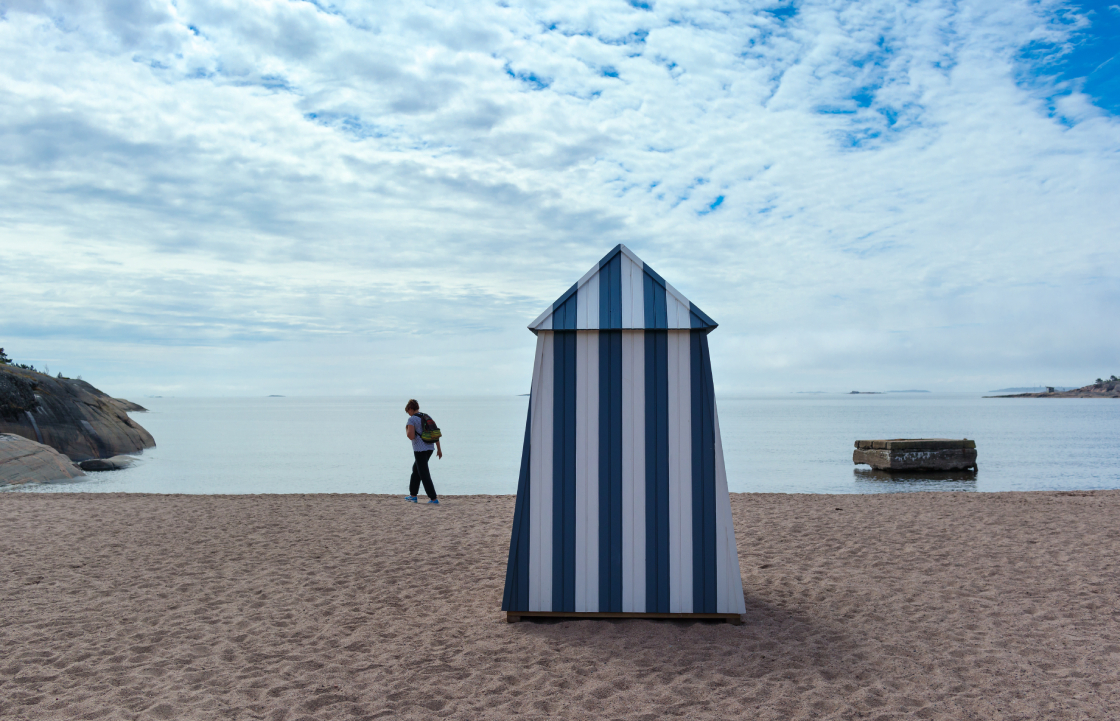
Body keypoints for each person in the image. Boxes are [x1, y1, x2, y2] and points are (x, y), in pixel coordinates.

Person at [404, 399, 441, 504]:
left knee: (423, 473)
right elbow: (435, 433)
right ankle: (413, 495)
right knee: (416, 469)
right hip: (430, 448)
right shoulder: (426, 416)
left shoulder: (411, 420)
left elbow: (411, 436)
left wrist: (406, 428)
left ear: (411, 409)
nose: (409, 413)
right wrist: (439, 449)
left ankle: (433, 498)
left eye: (408, 411)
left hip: (419, 449)